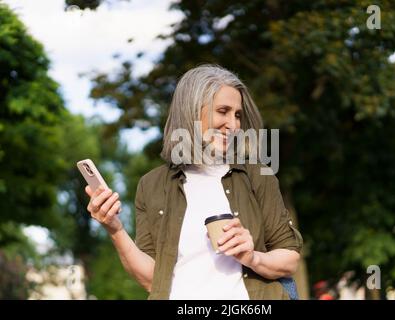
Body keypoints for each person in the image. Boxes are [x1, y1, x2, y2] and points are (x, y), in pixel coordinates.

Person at [85, 64, 303, 300]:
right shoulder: (152, 185)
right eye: (223, 111)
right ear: (192, 111)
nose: (234, 124)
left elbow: (289, 259)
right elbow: (151, 280)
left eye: (237, 114)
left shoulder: (257, 175)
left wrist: (252, 257)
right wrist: (114, 228)